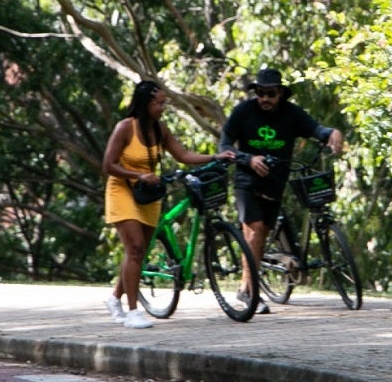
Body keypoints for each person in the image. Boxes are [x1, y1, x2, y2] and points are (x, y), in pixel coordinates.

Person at [103, 79, 233, 329]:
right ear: (145, 104)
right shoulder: (125, 128)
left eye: (165, 103)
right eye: (159, 103)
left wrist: (215, 156)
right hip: (122, 190)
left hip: (148, 194)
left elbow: (183, 155)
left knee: (139, 252)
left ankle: (114, 298)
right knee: (135, 248)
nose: (163, 108)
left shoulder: (160, 129)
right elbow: (108, 165)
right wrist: (139, 175)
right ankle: (133, 312)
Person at [219, 68, 344, 312]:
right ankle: (250, 293)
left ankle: (245, 288)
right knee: (254, 232)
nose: (265, 99)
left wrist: (333, 133)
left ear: (281, 94)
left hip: (275, 184)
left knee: (260, 237)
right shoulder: (243, 112)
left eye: (271, 94)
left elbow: (316, 130)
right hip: (247, 182)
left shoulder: (292, 113)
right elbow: (224, 145)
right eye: (261, 93)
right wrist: (248, 159)